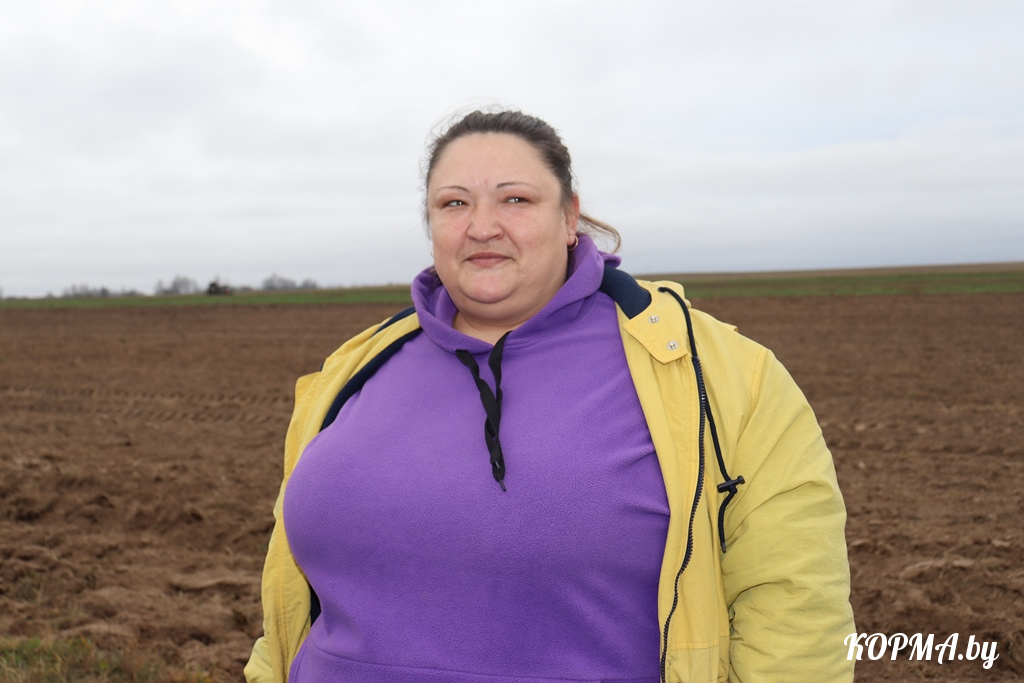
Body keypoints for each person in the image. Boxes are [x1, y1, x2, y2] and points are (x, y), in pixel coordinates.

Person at [245, 109, 856, 682]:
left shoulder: (717, 374)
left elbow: (797, 611)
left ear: (569, 219)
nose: (482, 226)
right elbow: (288, 613)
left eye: (515, 199)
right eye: (454, 203)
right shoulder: (351, 370)